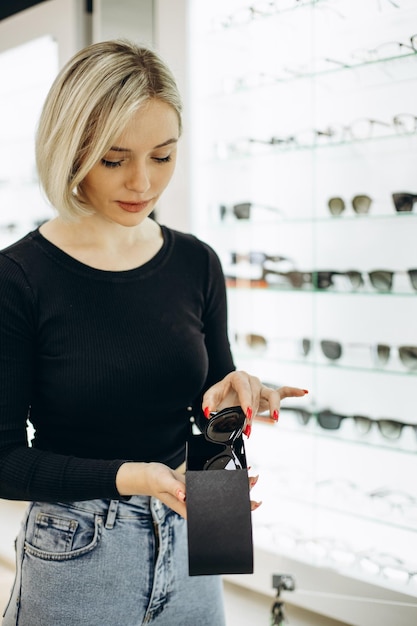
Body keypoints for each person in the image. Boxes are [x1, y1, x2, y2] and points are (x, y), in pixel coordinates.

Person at [0, 40, 307, 626]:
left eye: (163, 156)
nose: (143, 182)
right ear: (71, 150)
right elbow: (4, 459)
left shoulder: (197, 262)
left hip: (194, 534)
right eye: (115, 160)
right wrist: (128, 477)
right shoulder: (18, 277)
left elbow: (205, 401)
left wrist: (234, 394)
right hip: (80, 548)